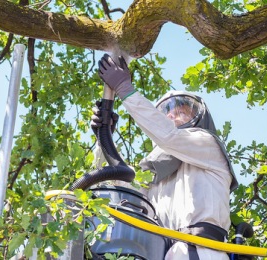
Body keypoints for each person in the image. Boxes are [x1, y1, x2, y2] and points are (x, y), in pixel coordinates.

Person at [92, 54, 238, 259]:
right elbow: (115, 187)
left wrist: (124, 88)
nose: (171, 115)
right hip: (165, 252)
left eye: (181, 110)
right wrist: (103, 137)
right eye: (166, 112)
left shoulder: (207, 144)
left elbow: (170, 136)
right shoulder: (154, 173)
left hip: (202, 249)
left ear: (199, 116)